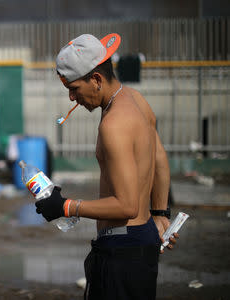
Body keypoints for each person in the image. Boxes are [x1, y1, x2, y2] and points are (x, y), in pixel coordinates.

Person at [35, 33, 178, 300]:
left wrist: (65, 206)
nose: (71, 98)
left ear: (96, 79)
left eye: (74, 89)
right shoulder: (136, 99)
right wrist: (160, 212)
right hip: (142, 237)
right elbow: (159, 158)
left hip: (122, 251)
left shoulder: (113, 124)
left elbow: (126, 206)